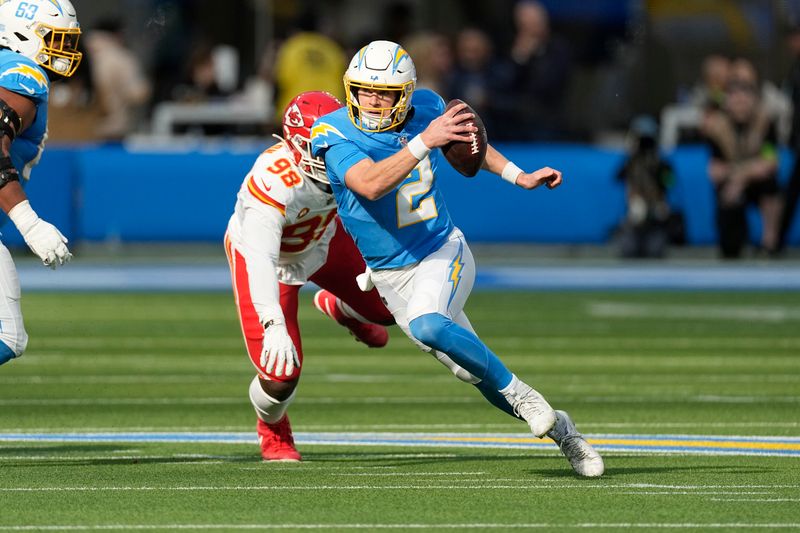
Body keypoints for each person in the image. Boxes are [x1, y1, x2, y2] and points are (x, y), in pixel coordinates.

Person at [310, 40, 603, 477]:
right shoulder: (331, 132)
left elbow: (470, 146)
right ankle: (565, 432)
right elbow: (369, 184)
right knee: (472, 372)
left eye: (385, 92)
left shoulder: (428, 107)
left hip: (441, 251)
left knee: (431, 322)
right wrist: (423, 143)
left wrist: (517, 175)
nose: (373, 99)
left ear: (405, 93)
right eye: (365, 89)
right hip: (390, 276)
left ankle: (526, 396)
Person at [224, 91, 394, 461]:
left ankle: (343, 308)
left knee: (394, 305)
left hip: (324, 240)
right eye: (316, 145)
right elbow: (261, 260)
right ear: (294, 144)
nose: (327, 151)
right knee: (280, 376)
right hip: (272, 262)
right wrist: (273, 324)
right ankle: (272, 426)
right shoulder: (272, 183)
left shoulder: (353, 150)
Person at [0, 0, 79, 367]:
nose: (65, 49)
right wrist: (29, 223)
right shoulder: (22, 72)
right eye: (54, 38)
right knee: (7, 336)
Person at [703, 65, 782, 258]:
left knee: (771, 187)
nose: (740, 101)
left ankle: (769, 242)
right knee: (729, 249)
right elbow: (714, 170)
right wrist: (739, 176)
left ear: (754, 99)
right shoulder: (717, 127)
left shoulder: (765, 123)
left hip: (755, 184)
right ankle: (735, 239)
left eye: (745, 95)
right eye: (735, 95)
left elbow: (770, 162)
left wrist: (741, 177)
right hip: (732, 187)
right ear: (727, 100)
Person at [617, 116, 676, 258]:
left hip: (656, 214)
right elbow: (618, 177)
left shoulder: (661, 163)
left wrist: (659, 166)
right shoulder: (631, 162)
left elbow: (670, 182)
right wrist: (631, 152)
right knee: (629, 249)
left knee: (655, 250)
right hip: (636, 215)